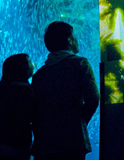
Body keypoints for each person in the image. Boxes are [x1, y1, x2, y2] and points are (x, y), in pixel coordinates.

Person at [31, 21, 100, 160]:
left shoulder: (39, 74)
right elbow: (93, 99)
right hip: (72, 142)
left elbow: (33, 110)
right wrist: (78, 123)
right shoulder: (80, 63)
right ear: (69, 39)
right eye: (74, 35)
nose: (77, 39)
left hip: (43, 144)